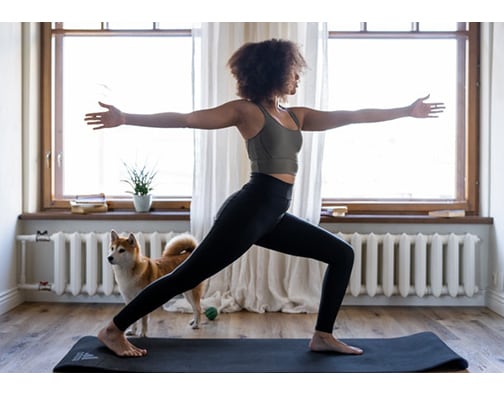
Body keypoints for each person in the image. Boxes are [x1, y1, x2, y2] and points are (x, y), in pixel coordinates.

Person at [85, 38, 444, 357]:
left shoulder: (294, 115)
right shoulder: (246, 111)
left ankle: (322, 335)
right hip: (250, 209)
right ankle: (113, 330)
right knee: (185, 276)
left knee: (340, 253)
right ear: (274, 72)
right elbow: (187, 119)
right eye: (293, 71)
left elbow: (352, 116)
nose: (298, 78)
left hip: (273, 213)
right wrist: (126, 117)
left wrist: (406, 111)